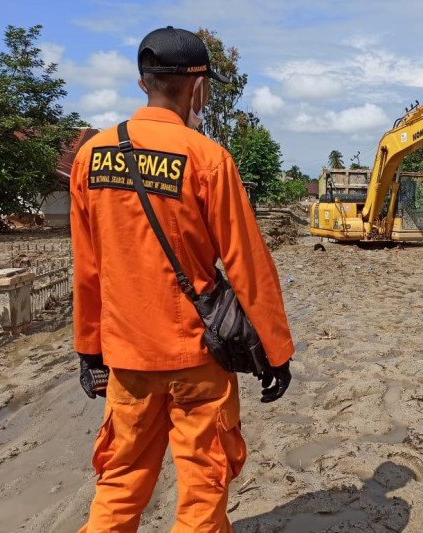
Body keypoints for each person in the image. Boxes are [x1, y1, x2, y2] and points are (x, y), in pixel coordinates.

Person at [70, 26, 294, 532]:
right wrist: (276, 352)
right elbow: (248, 264)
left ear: (143, 82)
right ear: (196, 88)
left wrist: (89, 350)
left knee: (120, 483)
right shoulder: (208, 158)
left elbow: (87, 268)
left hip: (126, 360)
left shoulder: (91, 156)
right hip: (199, 358)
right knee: (201, 490)